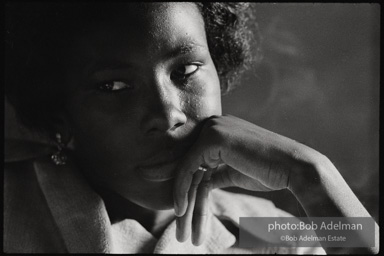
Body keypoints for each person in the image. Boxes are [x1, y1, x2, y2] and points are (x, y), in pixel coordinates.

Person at [4, 2, 378, 254]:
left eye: (186, 71)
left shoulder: (259, 228)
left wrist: (310, 174)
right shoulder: (13, 209)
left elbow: (355, 242)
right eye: (113, 87)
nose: (168, 116)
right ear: (59, 114)